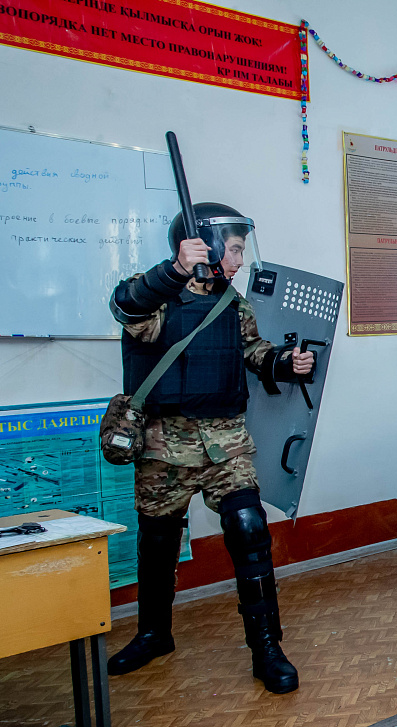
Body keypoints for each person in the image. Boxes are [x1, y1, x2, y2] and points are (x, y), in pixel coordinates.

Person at [106, 203, 314, 694]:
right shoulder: (156, 295)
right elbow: (126, 306)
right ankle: (154, 634)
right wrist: (176, 270)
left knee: (249, 528)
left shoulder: (231, 303)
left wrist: (285, 362)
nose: (240, 260)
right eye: (234, 249)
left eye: (242, 249)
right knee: (158, 543)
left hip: (226, 443)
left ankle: (267, 648)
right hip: (163, 446)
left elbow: (252, 351)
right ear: (207, 247)